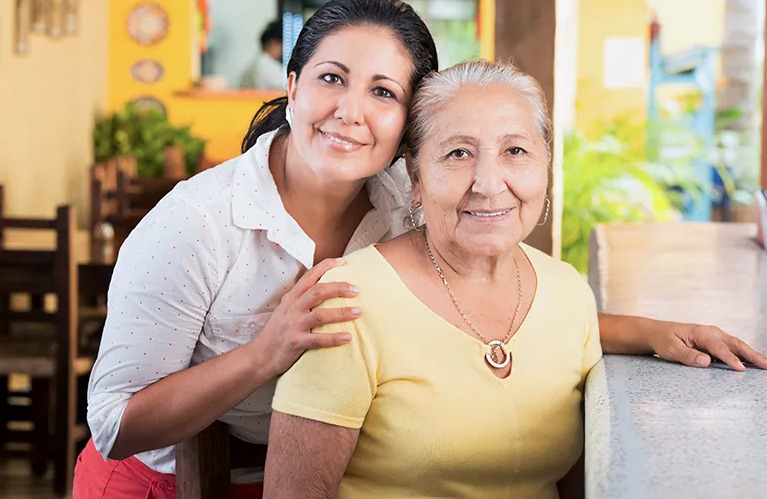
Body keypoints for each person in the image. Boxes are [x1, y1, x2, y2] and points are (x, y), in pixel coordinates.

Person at [74, 0, 766, 499]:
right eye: (330, 79)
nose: (350, 111)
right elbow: (115, 425)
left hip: (285, 474)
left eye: (382, 91)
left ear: (406, 129)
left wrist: (655, 331)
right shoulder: (197, 222)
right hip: (155, 480)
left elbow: (489, 310)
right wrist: (267, 351)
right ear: (292, 87)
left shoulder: (405, 202)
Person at [261, 59, 735, 499]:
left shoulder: (567, 291)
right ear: (416, 178)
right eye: (458, 153)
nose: (489, 184)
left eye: (515, 150)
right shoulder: (348, 302)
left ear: (545, 166)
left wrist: (655, 332)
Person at [238, 20, 286, 90]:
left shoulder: (251, 66)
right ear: (273, 43)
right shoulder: (271, 67)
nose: (282, 50)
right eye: (281, 45)